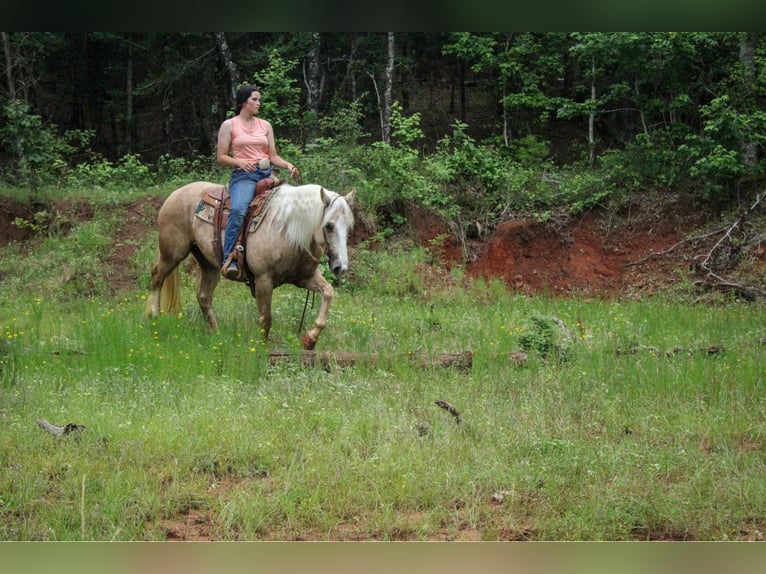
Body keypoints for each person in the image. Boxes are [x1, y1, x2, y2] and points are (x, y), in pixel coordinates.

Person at [216, 84, 298, 279]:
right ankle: (230, 257)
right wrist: (239, 162)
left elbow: (273, 155)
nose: (258, 103)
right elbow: (221, 156)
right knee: (238, 210)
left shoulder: (265, 125)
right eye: (255, 99)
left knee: (291, 205)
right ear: (244, 102)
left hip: (266, 174)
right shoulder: (229, 125)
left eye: (259, 99)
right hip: (243, 176)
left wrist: (288, 165)